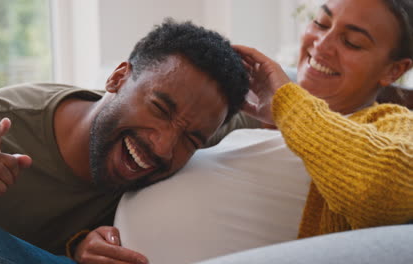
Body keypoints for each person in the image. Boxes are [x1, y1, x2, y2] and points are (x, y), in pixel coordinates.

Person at [112, 0, 413, 263]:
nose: (321, 44)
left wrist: (288, 103)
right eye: (321, 23)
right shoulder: (259, 120)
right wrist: (98, 239)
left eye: (352, 43)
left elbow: (385, 190)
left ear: (394, 71)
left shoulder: (389, 123)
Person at [0, 20, 249, 263]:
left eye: (191, 139)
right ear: (117, 78)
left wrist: (77, 249)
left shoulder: (204, 119)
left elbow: (277, 112)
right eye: (159, 109)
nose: (163, 147)